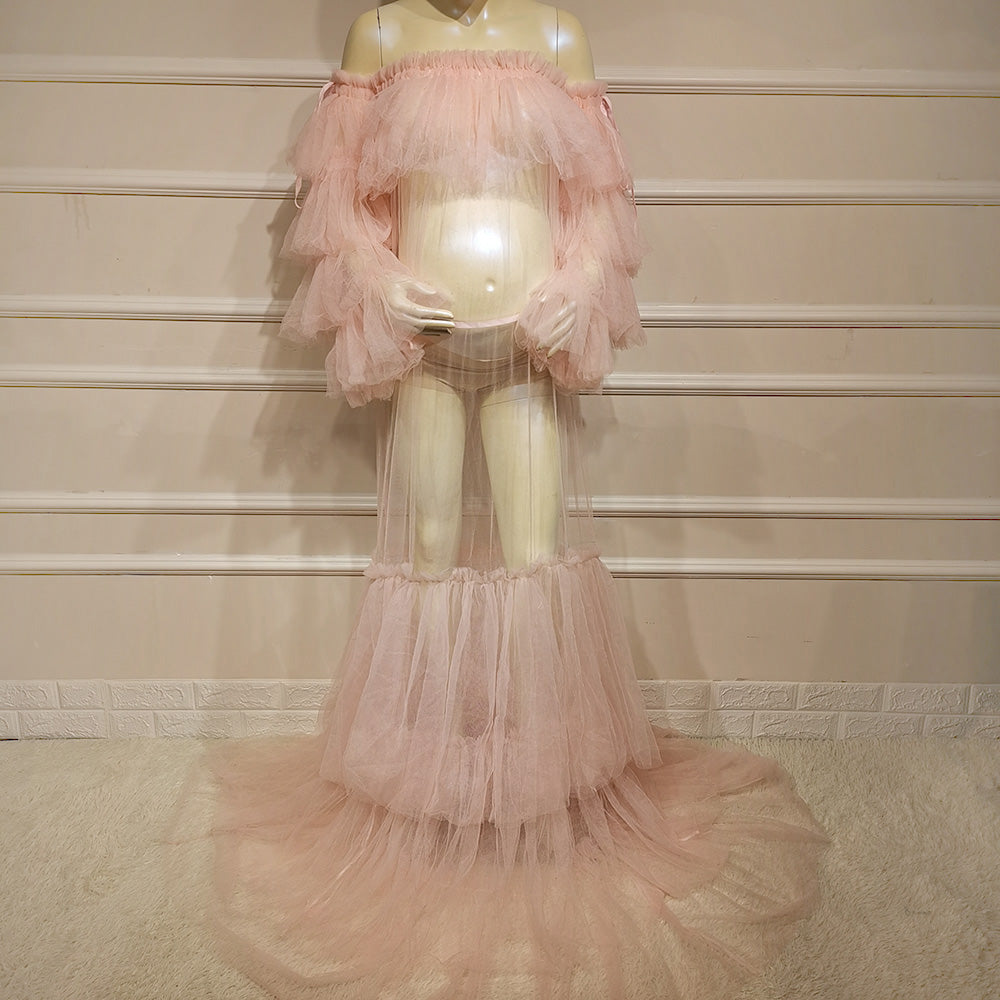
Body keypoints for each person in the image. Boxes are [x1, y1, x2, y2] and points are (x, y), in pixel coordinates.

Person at [206, 4, 827, 998]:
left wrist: (578, 284)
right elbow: (340, 193)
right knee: (428, 551)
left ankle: (539, 786)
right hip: (425, 344)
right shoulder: (382, 33)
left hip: (527, 342)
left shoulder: (556, 34)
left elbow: (596, 197)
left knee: (537, 556)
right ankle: (425, 784)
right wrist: (376, 277)